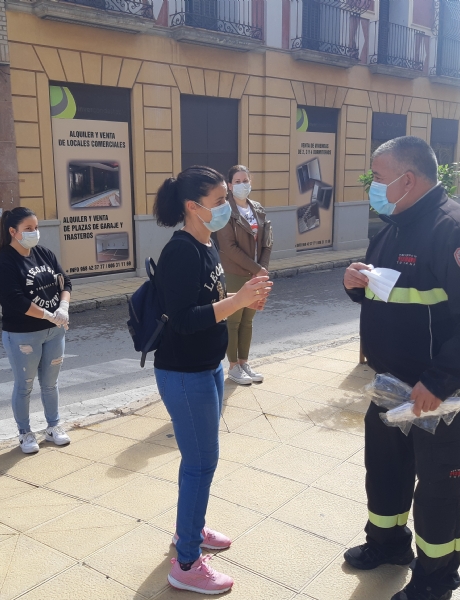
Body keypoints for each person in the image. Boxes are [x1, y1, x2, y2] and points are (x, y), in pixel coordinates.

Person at [342, 136, 460, 600]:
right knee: (386, 469)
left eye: (377, 177)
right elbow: (387, 290)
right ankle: (387, 543)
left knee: (438, 487)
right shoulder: (393, 227)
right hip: (392, 386)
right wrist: (355, 283)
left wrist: (437, 382)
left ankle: (436, 577)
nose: (373, 186)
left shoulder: (457, 234)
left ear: (407, 179)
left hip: (440, 393)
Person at [153, 165, 272, 594]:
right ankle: (186, 563)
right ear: (193, 207)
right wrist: (238, 299)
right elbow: (183, 321)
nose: (227, 206)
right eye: (220, 201)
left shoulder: (206, 244)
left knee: (201, 462)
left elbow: (212, 304)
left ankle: (192, 529)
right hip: (184, 373)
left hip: (207, 366)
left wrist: (245, 302)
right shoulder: (181, 251)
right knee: (201, 463)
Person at [0, 207, 73, 455]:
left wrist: (64, 307)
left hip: (54, 332)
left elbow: (64, 282)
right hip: (23, 335)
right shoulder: (4, 261)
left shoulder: (44, 254)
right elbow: (15, 300)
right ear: (13, 232)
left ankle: (53, 426)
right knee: (24, 385)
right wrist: (49, 315)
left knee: (50, 383)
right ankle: (25, 432)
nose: (34, 233)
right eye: (28, 229)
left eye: (36, 228)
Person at [215, 165, 273, 385]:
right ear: (229, 185)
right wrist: (257, 269)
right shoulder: (226, 211)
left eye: (245, 180)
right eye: (237, 182)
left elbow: (267, 241)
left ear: (251, 182)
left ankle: (244, 362)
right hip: (235, 272)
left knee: (248, 320)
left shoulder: (257, 208)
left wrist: (263, 268)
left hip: (256, 271)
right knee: (234, 320)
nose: (242, 185)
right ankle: (232, 367)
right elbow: (228, 247)